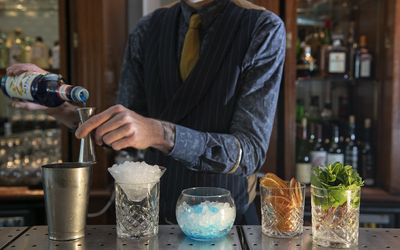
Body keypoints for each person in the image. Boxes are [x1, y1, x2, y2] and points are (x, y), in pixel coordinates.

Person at [7, 0, 286, 224]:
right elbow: (120, 130)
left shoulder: (261, 29)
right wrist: (58, 104)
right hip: (154, 220)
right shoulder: (148, 28)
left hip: (224, 221)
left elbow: (248, 153)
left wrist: (159, 133)